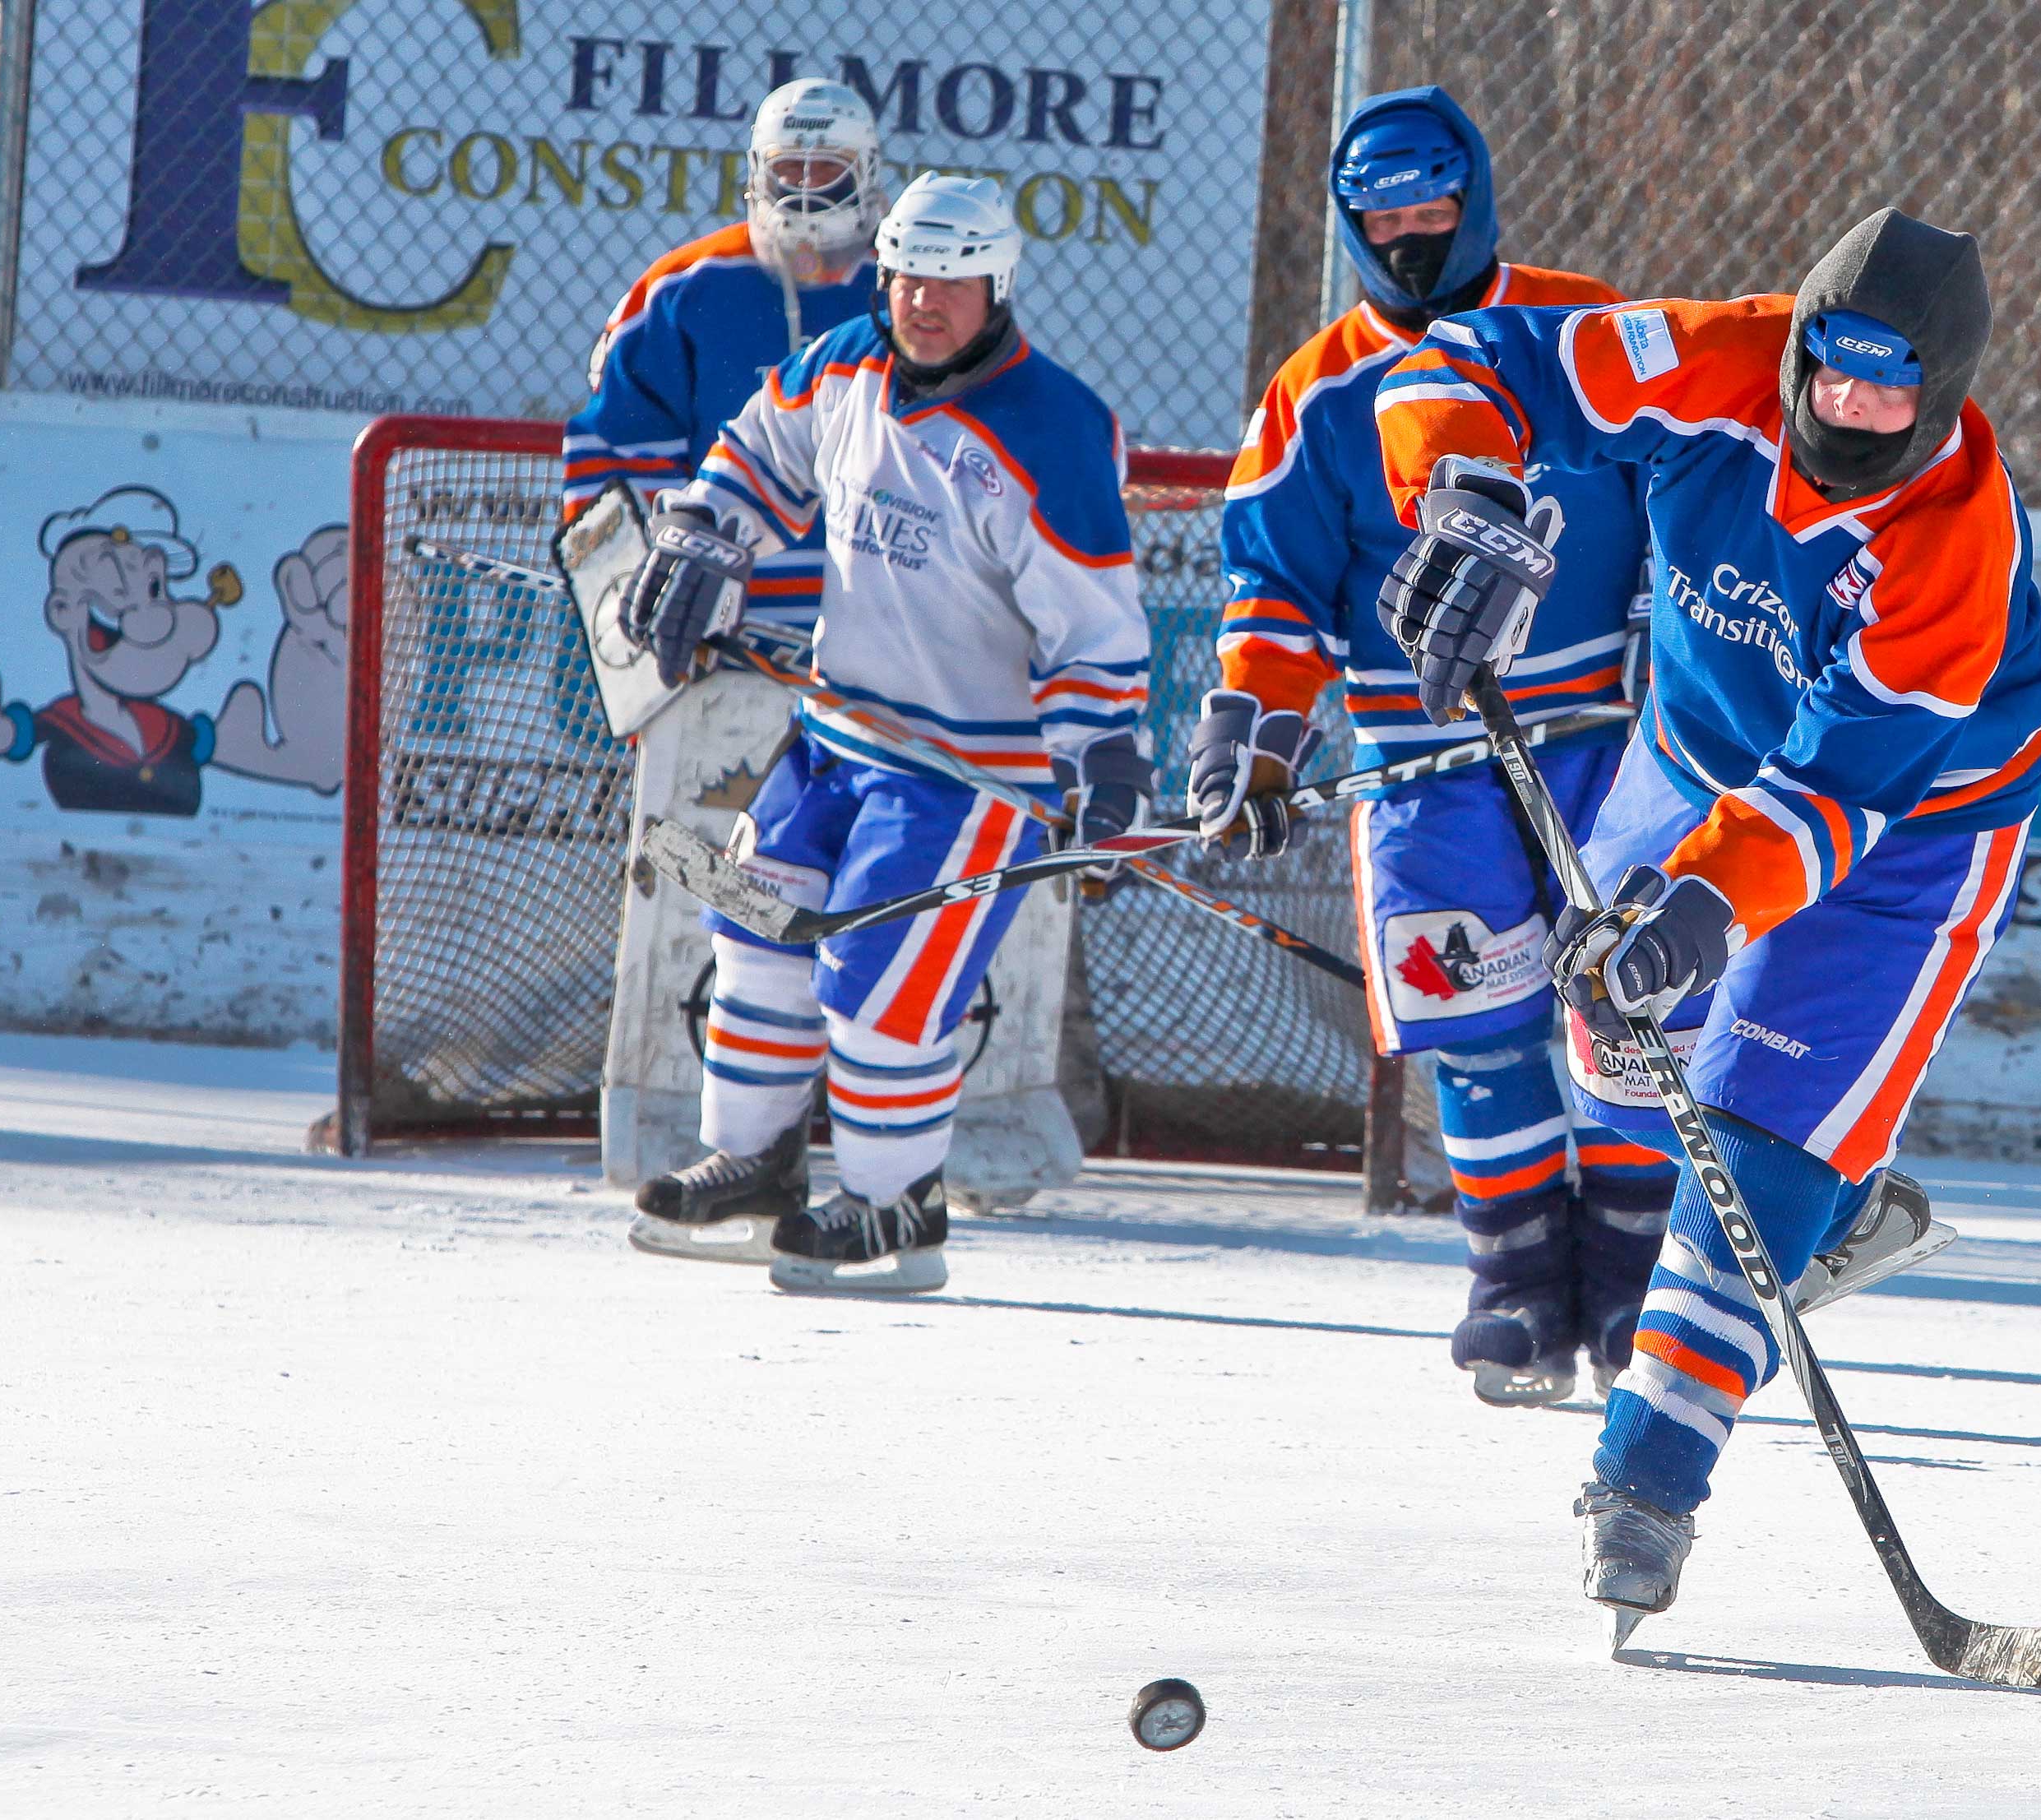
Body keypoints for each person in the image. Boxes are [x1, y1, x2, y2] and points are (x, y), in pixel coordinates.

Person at [1371, 209, 2041, 1619]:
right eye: (1831, 366)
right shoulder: (1717, 359)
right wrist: (1466, 490)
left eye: (1888, 383)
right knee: (1615, 1048)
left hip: (1912, 831)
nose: (1847, 404)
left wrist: (1700, 907)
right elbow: (1464, 353)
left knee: (1744, 1157)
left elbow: (1835, 792)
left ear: (1940, 389)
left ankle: (1646, 1481)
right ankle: (1827, 1208)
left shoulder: (1951, 534)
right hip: (1690, 751)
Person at [1197, 86, 1675, 1407]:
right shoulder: (1313, 390)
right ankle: (1517, 1279)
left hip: (1604, 738)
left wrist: (1684, 666)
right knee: (1478, 1028)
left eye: (1433, 208)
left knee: (1630, 1016)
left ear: (1476, 196)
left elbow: (1686, 489)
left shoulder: (1581, 326)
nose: (1411, 238)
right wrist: (1263, 740)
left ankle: (1633, 1276)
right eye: (1384, 217)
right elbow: (1273, 589)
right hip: (1422, 758)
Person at [617, 173, 1155, 1294]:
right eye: (907, 273)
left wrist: (1098, 753)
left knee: (877, 977)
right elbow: (761, 450)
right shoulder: (848, 361)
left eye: (951, 282)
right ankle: (757, 1162)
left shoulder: (1049, 430)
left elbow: (1093, 625)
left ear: (997, 285)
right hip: (836, 734)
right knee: (755, 923)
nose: (923, 300)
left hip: (964, 776)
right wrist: (707, 532)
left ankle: (894, 1206)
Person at [562, 77, 884, 633]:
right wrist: (651, 582)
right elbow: (617, 449)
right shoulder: (682, 288)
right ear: (759, 168)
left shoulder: (910, 294)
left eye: (827, 167)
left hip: (872, 629)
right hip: (710, 622)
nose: (806, 187)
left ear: (865, 169)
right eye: (789, 167)